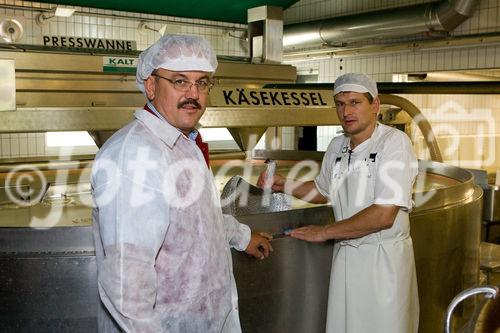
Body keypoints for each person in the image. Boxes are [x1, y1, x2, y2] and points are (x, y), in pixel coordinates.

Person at [92, 34, 273, 333]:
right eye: (179, 81)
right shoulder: (136, 156)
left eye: (202, 82)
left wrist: (242, 236)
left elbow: (199, 221)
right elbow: (127, 282)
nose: (193, 93)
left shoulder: (183, 143)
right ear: (151, 85)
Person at [257, 73, 419, 333]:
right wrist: (283, 183)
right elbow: (323, 190)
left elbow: (384, 214)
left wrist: (324, 232)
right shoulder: (337, 146)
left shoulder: (394, 143)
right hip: (346, 256)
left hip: (382, 262)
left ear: (375, 105)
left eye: (355, 102)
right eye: (340, 104)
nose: (346, 111)